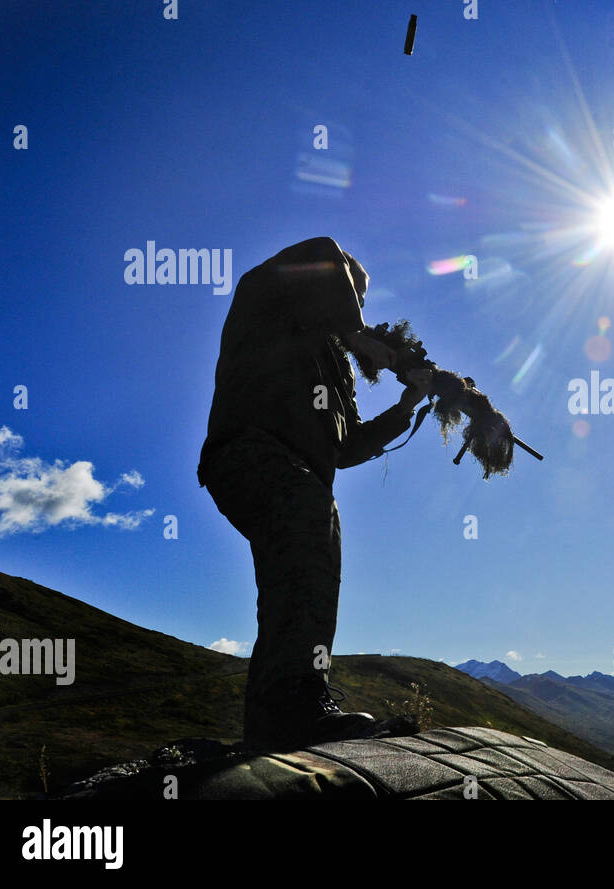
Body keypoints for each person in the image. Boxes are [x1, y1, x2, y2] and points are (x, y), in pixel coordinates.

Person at [196, 236, 430, 748]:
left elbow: (345, 447)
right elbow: (321, 252)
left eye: (360, 304)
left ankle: (278, 716)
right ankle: (294, 705)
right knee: (307, 529)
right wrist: (362, 334)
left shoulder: (335, 366)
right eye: (352, 295)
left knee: (312, 569)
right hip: (249, 453)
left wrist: (406, 404)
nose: (356, 310)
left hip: (300, 476)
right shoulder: (268, 299)